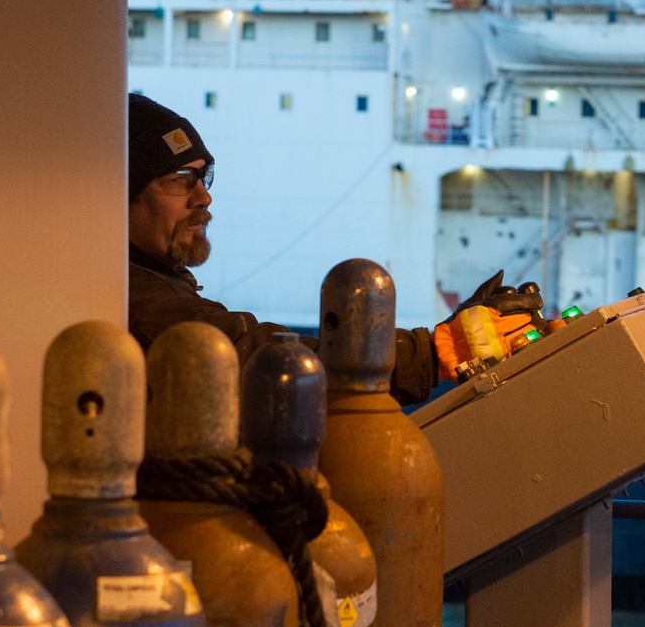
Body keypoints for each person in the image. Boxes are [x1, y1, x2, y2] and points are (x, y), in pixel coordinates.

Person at [127, 93, 541, 405]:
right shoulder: (136, 300)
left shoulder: (145, 277)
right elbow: (243, 352)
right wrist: (431, 353)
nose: (204, 198)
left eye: (204, 177)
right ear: (118, 194)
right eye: (179, 178)